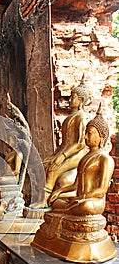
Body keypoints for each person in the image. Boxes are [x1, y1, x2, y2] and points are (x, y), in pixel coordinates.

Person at [30, 76, 88, 208]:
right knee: (44, 165)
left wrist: (62, 156)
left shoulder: (81, 117)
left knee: (53, 169)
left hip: (76, 154)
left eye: (74, 97)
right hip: (64, 150)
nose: (70, 99)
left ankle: (44, 200)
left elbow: (79, 144)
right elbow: (64, 143)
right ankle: (38, 197)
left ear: (81, 101)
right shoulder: (69, 118)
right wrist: (54, 155)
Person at [48, 107, 114, 215]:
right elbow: (76, 185)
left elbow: (101, 190)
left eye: (90, 133)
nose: (85, 137)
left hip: (93, 202)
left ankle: (67, 211)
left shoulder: (105, 159)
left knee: (85, 206)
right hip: (78, 199)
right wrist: (59, 191)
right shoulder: (85, 158)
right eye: (85, 133)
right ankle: (69, 210)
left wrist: (81, 198)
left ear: (101, 136)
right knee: (55, 201)